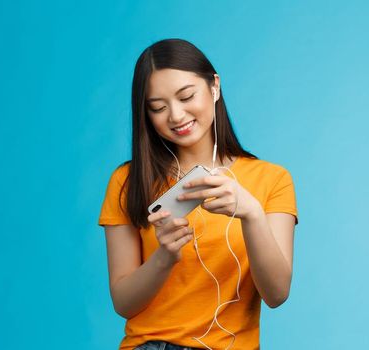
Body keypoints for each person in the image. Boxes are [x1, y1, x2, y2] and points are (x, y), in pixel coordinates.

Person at [98, 38, 298, 350]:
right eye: (158, 108)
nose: (176, 116)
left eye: (186, 96)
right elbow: (124, 303)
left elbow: (277, 294)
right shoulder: (128, 180)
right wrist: (164, 257)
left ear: (214, 87)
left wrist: (252, 214)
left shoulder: (271, 180)